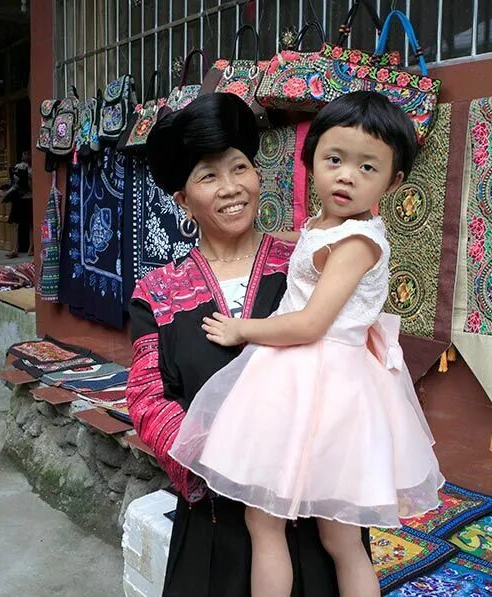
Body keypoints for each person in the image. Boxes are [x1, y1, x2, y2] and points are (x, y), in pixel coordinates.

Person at [169, 91, 444, 597]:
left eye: (368, 167)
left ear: (394, 182)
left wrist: (241, 328)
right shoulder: (324, 226)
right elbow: (308, 252)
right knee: (286, 529)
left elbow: (311, 323)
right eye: (334, 159)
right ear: (310, 159)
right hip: (306, 383)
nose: (346, 176)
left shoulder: (358, 242)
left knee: (320, 535)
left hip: (320, 383)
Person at [126, 93, 371, 597]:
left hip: (315, 511)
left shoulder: (310, 264)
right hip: (218, 524)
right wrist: (228, 456)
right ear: (183, 201)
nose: (232, 188)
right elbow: (146, 398)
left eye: (240, 167)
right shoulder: (159, 292)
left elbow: (354, 354)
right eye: (208, 176)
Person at [1, 151, 33, 258]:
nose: (26, 157)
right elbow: (13, 180)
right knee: (15, 223)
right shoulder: (18, 166)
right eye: (24, 155)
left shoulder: (33, 169)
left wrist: (28, 177)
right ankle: (14, 249)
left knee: (30, 224)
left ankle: (31, 248)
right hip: (18, 198)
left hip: (29, 197)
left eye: (27, 155)